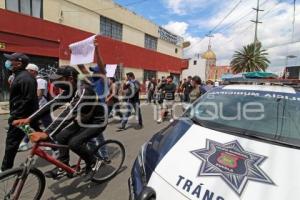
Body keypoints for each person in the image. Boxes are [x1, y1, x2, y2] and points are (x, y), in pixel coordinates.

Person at [1, 52, 39, 172]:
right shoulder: (19, 75)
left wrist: (16, 117)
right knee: (34, 134)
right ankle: (55, 149)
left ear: (18, 63)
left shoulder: (26, 78)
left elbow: (28, 100)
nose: (8, 62)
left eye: (11, 60)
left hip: (21, 118)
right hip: (23, 117)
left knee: (11, 142)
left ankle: (5, 169)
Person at [26, 64, 53, 128]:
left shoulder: (40, 81)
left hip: (41, 105)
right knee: (34, 123)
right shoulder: (34, 80)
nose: (26, 73)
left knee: (47, 122)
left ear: (33, 71)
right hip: (38, 105)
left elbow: (39, 95)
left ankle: (52, 134)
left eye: (27, 71)